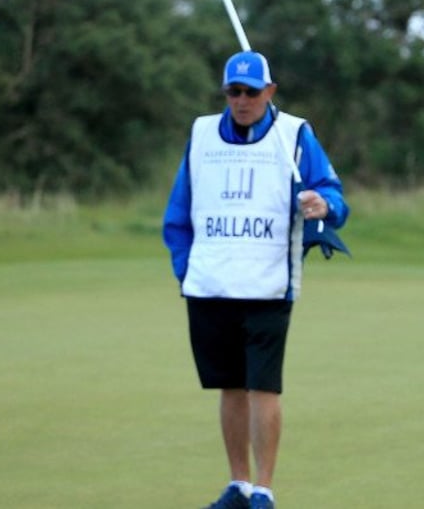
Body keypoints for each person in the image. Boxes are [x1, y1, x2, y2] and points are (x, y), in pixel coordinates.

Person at [162, 50, 349, 509]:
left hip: (268, 284)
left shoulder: (294, 135)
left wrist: (323, 206)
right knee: (229, 385)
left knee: (263, 385)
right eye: (234, 91)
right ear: (225, 92)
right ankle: (238, 484)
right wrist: (187, 268)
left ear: (270, 91)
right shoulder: (202, 133)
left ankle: (263, 489)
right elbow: (179, 212)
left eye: (250, 91)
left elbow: (331, 194)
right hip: (209, 285)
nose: (242, 100)